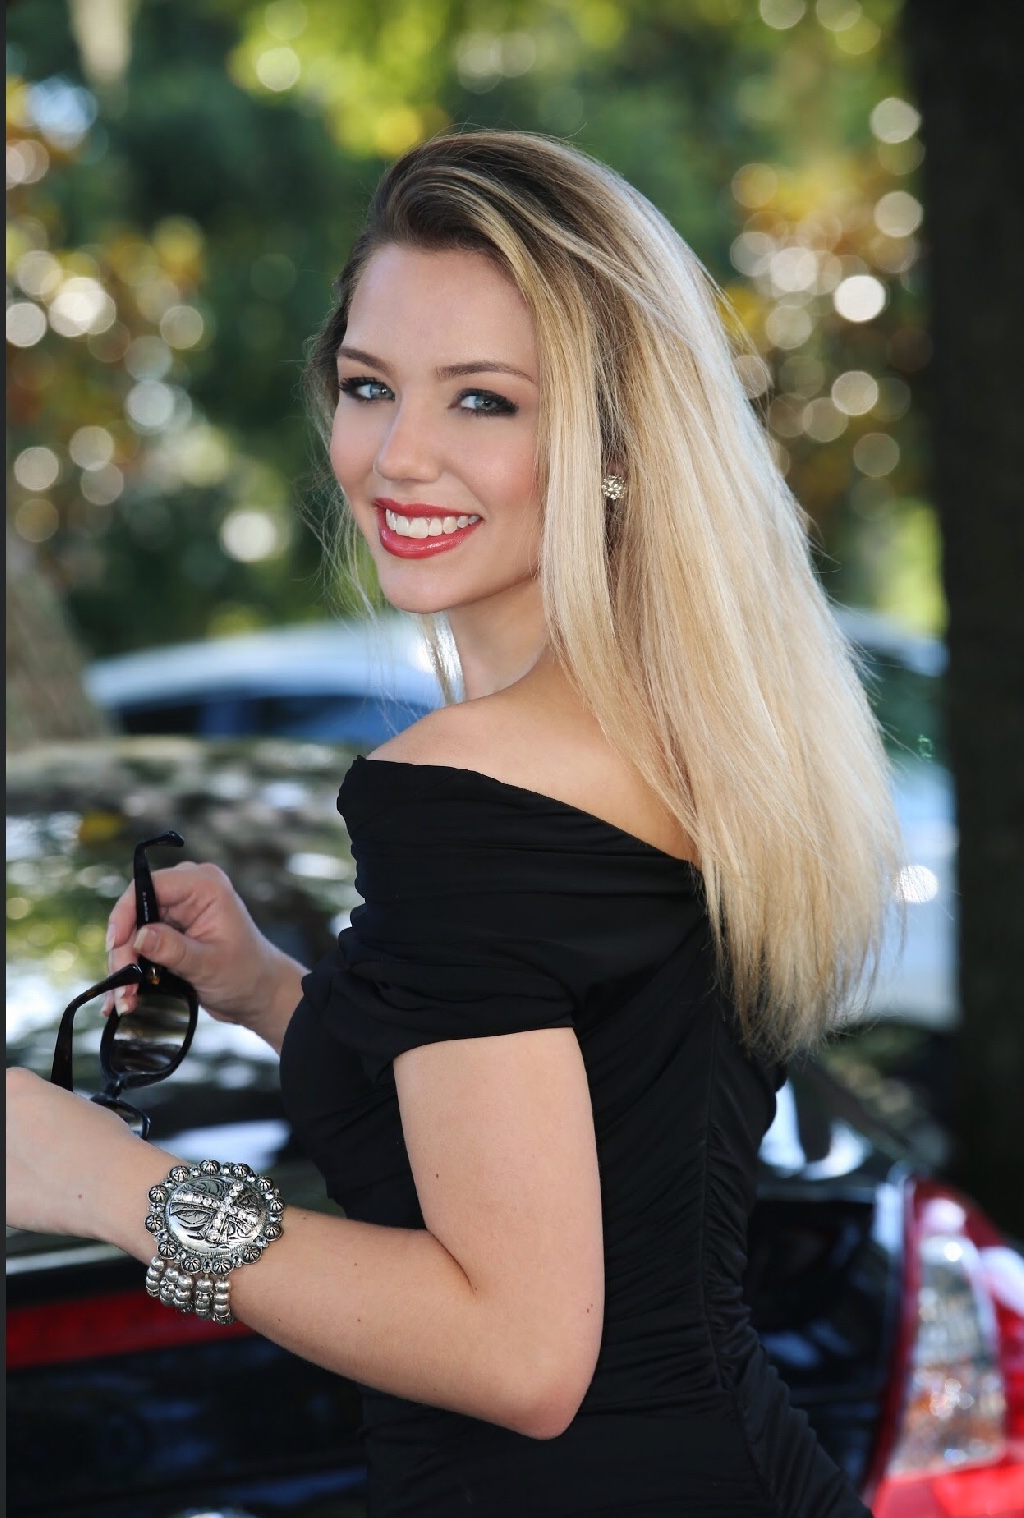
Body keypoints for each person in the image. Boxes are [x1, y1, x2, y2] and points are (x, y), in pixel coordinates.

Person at [7, 131, 899, 1516]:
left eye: (484, 399)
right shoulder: (688, 735)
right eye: (370, 386)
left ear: (613, 441)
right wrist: (277, 995)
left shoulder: (466, 787)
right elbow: (595, 1127)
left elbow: (519, 1354)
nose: (399, 454)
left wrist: (108, 1184)